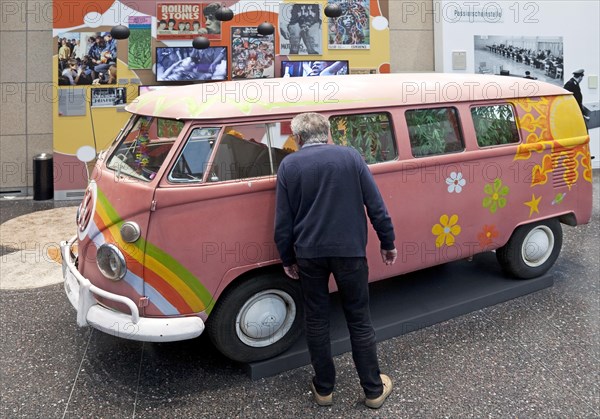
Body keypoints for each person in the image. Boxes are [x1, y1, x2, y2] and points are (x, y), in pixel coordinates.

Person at [274, 112, 397, 409]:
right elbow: (375, 205)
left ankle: (324, 388)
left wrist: (287, 256)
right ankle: (372, 390)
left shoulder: (289, 165)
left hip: (309, 255)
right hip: (350, 252)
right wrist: (387, 241)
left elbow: (283, 221)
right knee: (359, 318)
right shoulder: (351, 157)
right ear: (328, 134)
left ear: (298, 138)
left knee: (316, 319)